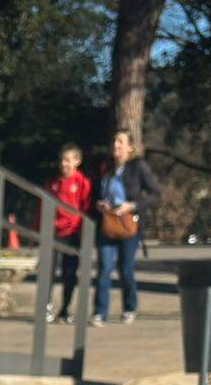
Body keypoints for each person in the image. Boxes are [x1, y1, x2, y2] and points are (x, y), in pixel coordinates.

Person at [92, 128, 161, 326]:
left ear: (130, 147)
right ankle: (99, 312)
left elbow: (155, 194)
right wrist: (100, 204)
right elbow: (98, 192)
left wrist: (132, 205)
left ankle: (129, 307)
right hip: (108, 224)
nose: (116, 145)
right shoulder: (106, 167)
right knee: (104, 268)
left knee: (125, 268)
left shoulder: (138, 167)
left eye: (120, 141)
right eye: (115, 141)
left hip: (129, 225)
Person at [45, 143, 92, 324]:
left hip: (72, 233)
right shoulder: (53, 183)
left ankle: (65, 309)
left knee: (69, 273)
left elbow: (85, 209)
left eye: (67, 160)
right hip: (53, 231)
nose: (63, 164)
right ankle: (46, 305)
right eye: (62, 160)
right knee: (48, 270)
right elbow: (44, 207)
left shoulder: (82, 182)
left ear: (77, 161)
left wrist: (81, 233)